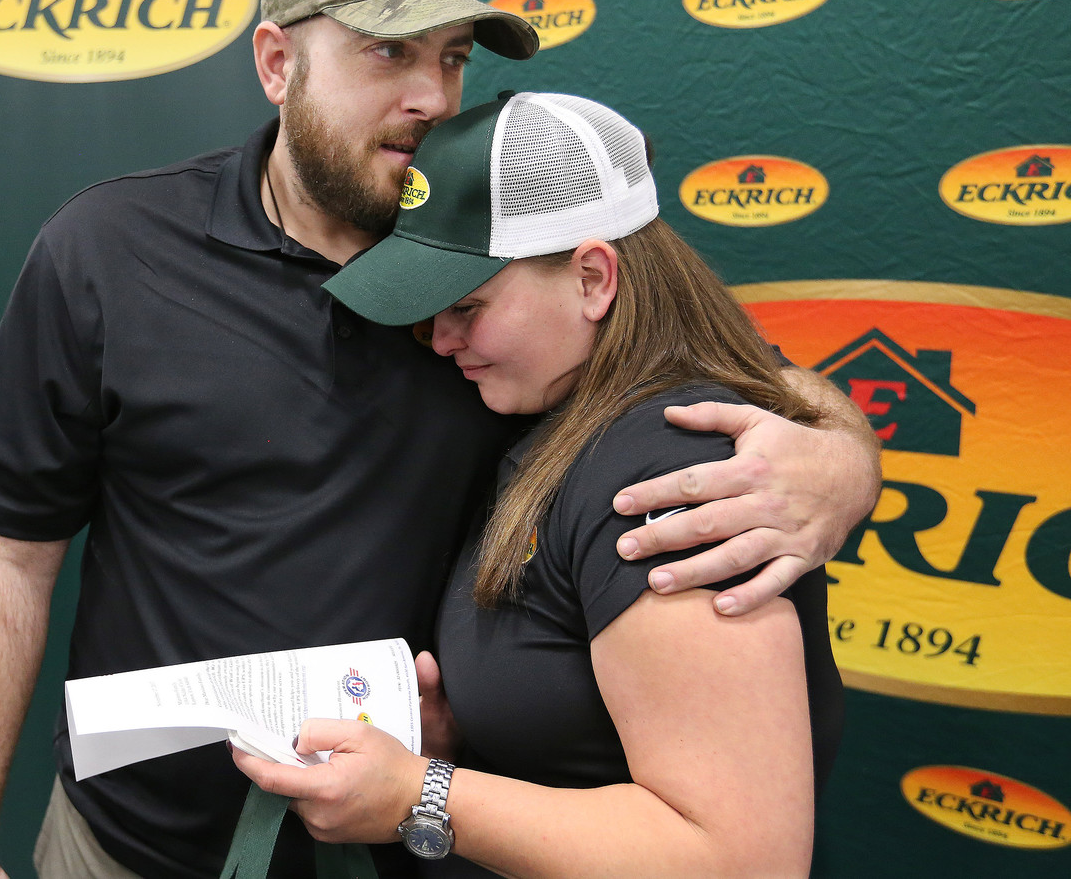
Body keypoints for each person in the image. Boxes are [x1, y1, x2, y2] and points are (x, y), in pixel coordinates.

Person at [0, 0, 878, 877]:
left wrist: (837, 457)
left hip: (406, 849)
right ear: (277, 61)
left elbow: (705, 373)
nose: (430, 97)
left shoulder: (505, 249)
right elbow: (2, 554)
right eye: (387, 52)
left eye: (453, 57)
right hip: (132, 842)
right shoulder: (107, 250)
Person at [235, 91, 844, 876]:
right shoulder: (553, 408)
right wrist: (455, 745)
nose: (439, 340)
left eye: (468, 306)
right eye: (427, 311)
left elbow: (741, 858)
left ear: (593, 278)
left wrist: (422, 794)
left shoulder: (670, 475)